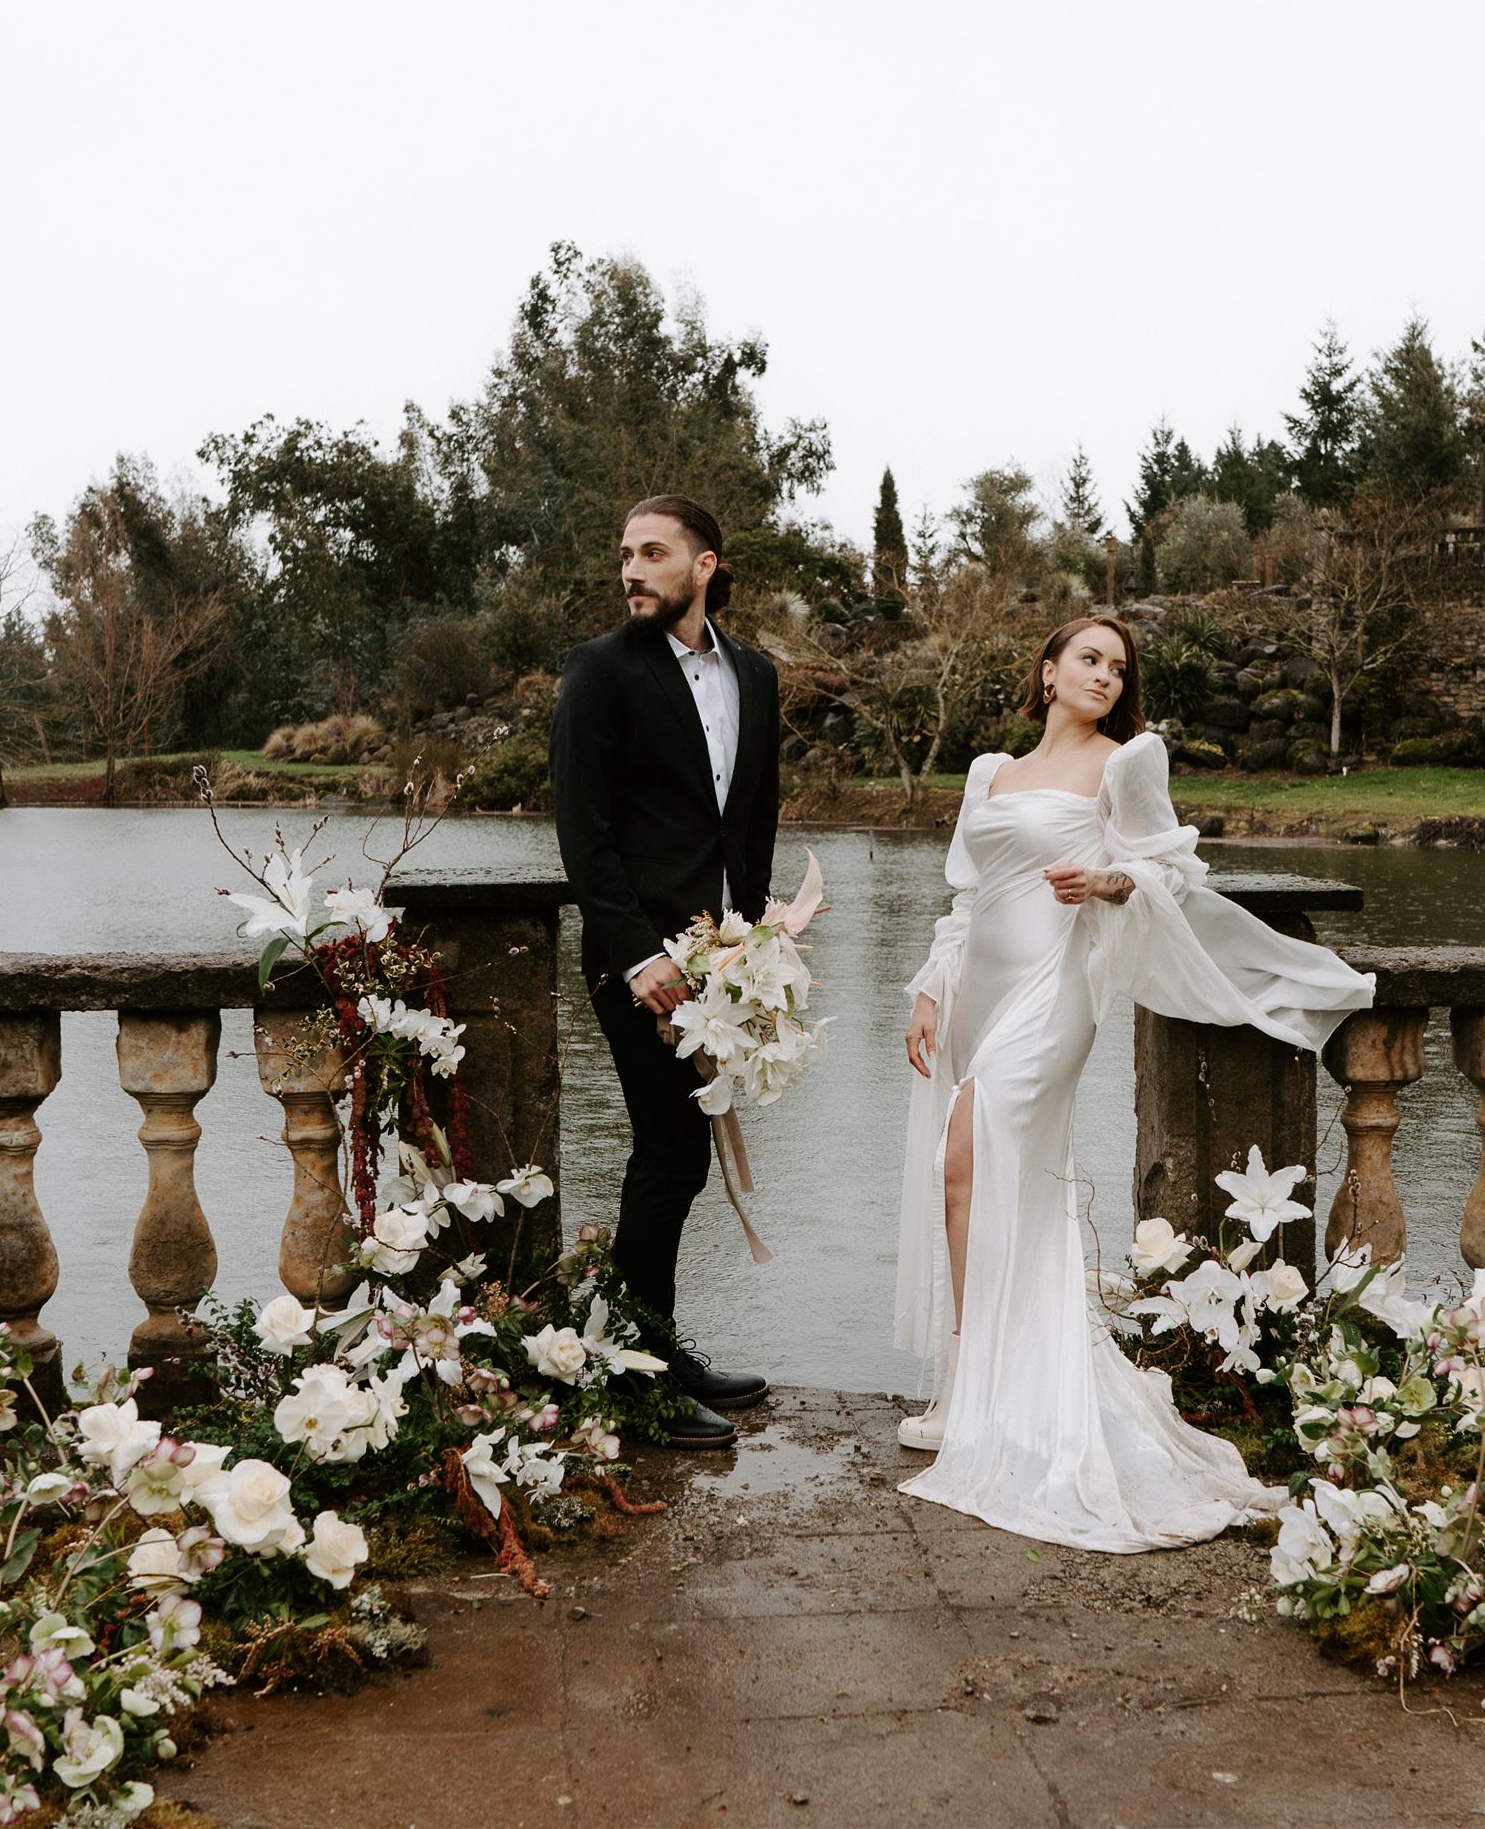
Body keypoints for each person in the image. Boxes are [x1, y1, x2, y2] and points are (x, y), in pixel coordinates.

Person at [893, 614, 1375, 1550]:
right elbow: (966, 898)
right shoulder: (988, 770)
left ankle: (978, 1386)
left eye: (1118, 666)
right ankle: (965, 1382)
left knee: (969, 1148)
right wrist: (926, 987)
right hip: (974, 991)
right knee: (971, 1178)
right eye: (1088, 659)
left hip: (1052, 990)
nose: (1105, 676)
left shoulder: (1126, 763)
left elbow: (1170, 873)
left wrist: (1109, 883)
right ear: (1046, 671)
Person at [550, 495, 780, 1451]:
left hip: (721, 961)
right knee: (668, 1151)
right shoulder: (600, 671)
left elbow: (752, 818)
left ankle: (657, 1354)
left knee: (678, 1159)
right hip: (637, 961)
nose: (630, 571)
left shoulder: (756, 676)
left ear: (705, 566)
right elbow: (583, 827)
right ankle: (634, 1377)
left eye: (652, 553)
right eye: (624, 554)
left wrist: (755, 948)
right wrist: (639, 952)